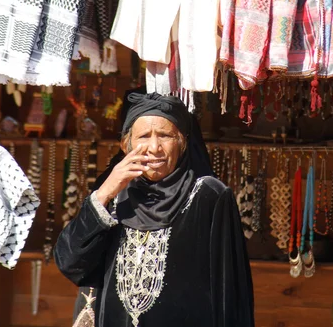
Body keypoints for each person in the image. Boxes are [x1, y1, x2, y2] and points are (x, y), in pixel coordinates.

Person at [54, 92, 254, 327]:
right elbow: (71, 263)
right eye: (143, 136)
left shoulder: (210, 196)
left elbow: (230, 294)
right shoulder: (111, 193)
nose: (154, 147)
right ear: (125, 144)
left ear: (182, 142)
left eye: (165, 135)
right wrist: (105, 192)